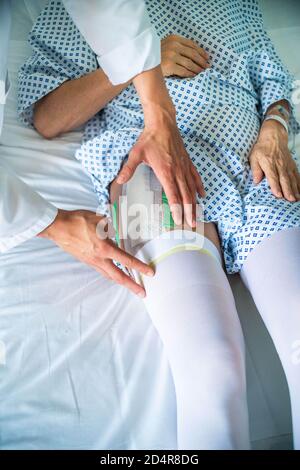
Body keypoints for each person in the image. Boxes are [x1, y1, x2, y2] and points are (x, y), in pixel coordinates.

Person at [18, 0, 300, 449]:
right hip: (149, 168)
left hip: (256, 165)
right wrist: (135, 62)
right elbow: (48, 117)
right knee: (211, 368)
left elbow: (273, 78)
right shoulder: (73, 8)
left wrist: (276, 129)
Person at [1, 0, 196, 290]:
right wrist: (54, 225)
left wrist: (160, 117)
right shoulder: (59, 18)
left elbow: (106, 8)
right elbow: (49, 117)